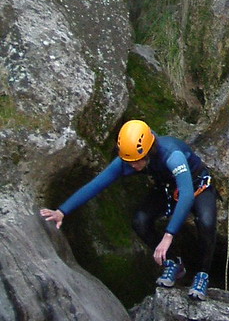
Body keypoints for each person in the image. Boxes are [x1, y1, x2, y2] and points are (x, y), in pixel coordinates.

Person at [40, 119, 217, 300]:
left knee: (206, 223)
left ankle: (202, 274)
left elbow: (187, 195)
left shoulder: (172, 155)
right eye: (129, 161)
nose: (133, 166)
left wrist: (168, 235)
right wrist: (62, 211)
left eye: (136, 161)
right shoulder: (129, 159)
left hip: (198, 187)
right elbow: (97, 184)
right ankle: (173, 262)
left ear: (148, 151)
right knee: (140, 221)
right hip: (167, 188)